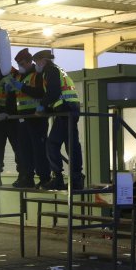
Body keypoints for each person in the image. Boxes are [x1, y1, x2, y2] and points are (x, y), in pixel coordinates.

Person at [32, 49, 83, 191]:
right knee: (72, 145)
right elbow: (57, 94)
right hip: (70, 109)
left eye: (36, 62)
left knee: (52, 143)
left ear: (43, 60)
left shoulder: (50, 71)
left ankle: (58, 178)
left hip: (65, 110)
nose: (36, 65)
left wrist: (42, 106)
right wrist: (47, 110)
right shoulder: (58, 70)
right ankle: (76, 180)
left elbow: (53, 93)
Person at [6, 48, 50, 188]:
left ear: (30, 61)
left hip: (36, 117)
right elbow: (15, 100)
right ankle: (27, 178)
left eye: (22, 63)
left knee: (39, 149)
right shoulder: (18, 77)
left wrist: (22, 87)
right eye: (18, 64)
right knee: (24, 150)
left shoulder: (37, 75)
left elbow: (39, 93)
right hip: (22, 118)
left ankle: (44, 178)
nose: (20, 66)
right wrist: (10, 93)